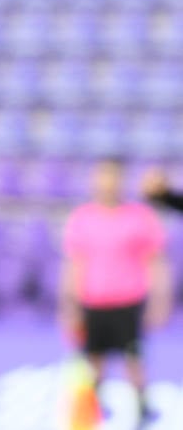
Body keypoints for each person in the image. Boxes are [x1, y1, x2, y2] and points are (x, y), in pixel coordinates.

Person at [59, 158, 171, 426]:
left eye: (113, 177)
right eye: (102, 177)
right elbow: (74, 264)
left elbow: (155, 261)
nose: (108, 183)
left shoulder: (140, 217)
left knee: (134, 361)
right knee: (93, 362)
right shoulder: (82, 218)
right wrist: (68, 305)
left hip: (128, 302)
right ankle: (95, 409)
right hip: (93, 302)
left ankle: (141, 408)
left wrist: (160, 300)